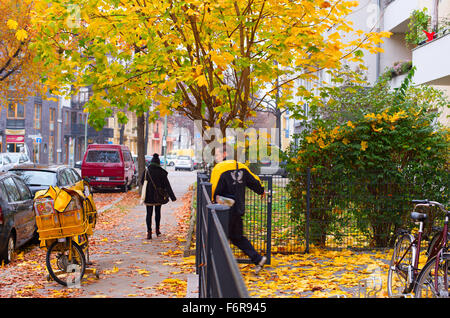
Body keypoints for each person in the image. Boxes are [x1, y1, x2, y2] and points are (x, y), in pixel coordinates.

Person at [210, 151, 267, 274]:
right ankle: (258, 258)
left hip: (224, 210)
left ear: (223, 157)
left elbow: (213, 188)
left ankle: (222, 267)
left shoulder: (219, 168)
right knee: (237, 237)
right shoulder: (242, 167)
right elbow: (254, 181)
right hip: (237, 208)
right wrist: (261, 190)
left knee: (221, 236)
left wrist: (212, 199)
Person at [140, 153, 176, 239]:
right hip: (158, 196)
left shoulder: (146, 171)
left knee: (148, 213)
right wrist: (172, 197)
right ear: (158, 162)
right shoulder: (161, 172)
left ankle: (149, 232)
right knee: (157, 213)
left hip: (148, 196)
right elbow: (167, 185)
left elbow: (142, 181)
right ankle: (157, 230)